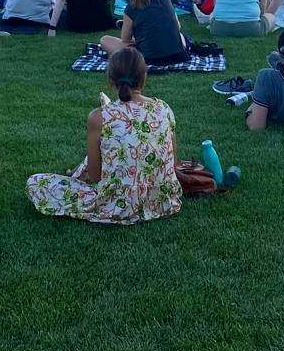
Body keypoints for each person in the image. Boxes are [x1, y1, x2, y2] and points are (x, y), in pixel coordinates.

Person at [25, 46, 181, 225]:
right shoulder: (164, 108)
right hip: (162, 201)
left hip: (118, 205)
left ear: (110, 80)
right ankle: (75, 173)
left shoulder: (99, 117)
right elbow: (173, 163)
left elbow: (95, 176)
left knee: (36, 182)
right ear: (144, 77)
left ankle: (75, 175)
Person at [100, 0, 188, 65]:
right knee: (180, 35)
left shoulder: (131, 7)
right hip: (178, 55)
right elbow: (177, 26)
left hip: (149, 58)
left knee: (105, 40)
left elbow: (125, 39)